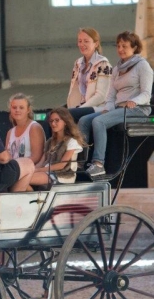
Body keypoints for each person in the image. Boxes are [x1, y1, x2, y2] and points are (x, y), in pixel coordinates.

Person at [78, 31, 153, 178]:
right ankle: (81, 161)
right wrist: (108, 108)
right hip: (119, 108)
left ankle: (98, 164)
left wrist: (134, 101)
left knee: (98, 121)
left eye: (124, 46)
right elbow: (111, 95)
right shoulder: (117, 68)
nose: (120, 49)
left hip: (138, 109)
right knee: (84, 120)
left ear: (134, 47)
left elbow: (146, 94)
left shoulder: (143, 65)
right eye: (118, 46)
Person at [28, 108, 86, 188]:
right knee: (22, 177)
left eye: (57, 120)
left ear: (65, 121)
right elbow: (42, 162)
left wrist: (39, 170)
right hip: (47, 172)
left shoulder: (72, 141)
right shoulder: (49, 141)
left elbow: (61, 165)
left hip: (63, 175)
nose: (53, 124)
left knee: (26, 179)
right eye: (51, 121)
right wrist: (30, 169)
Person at [66, 27, 111, 123]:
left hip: (97, 107)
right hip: (79, 107)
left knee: (64, 117)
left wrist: (80, 109)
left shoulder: (103, 64)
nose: (82, 44)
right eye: (80, 41)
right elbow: (73, 91)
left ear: (96, 43)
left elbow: (101, 96)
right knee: (52, 116)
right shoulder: (77, 63)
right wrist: (74, 108)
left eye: (86, 41)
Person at [5, 93, 45, 164]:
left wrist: (17, 167)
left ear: (28, 109)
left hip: (29, 171)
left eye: (21, 107)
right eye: (14, 107)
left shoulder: (34, 127)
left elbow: (36, 157)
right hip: (12, 171)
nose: (17, 110)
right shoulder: (10, 132)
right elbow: (7, 156)